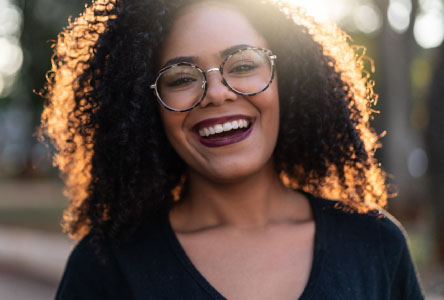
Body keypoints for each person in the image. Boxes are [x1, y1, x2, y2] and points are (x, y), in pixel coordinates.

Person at [40, 0, 425, 298]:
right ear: (144, 108)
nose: (218, 94)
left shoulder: (375, 245)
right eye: (180, 78)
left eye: (241, 66)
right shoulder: (106, 267)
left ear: (287, 80)